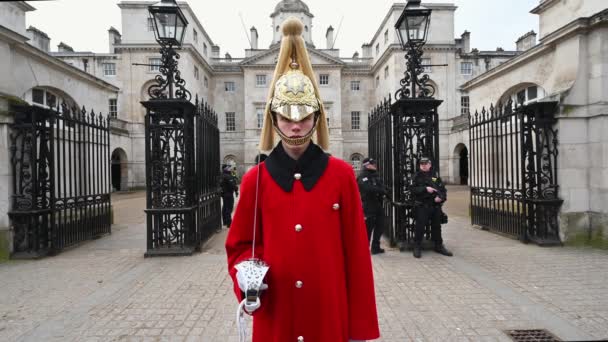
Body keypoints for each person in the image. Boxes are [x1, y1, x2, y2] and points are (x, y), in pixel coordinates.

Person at [225, 17, 379, 342]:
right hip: (276, 314)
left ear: (315, 118)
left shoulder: (340, 175)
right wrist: (246, 278)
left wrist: (358, 329)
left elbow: (357, 257)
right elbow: (239, 245)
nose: (295, 125)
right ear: (274, 119)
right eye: (286, 116)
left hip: (328, 315)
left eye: (304, 116)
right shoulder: (256, 179)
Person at [409, 156, 453, 258]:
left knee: (437, 227)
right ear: (420, 165)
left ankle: (438, 246)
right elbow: (412, 190)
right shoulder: (416, 176)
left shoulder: (435, 176)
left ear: (430, 165)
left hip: (435, 206)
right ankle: (417, 247)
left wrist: (441, 198)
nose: (424, 166)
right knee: (420, 227)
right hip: (422, 206)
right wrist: (425, 189)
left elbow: (442, 190)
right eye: (422, 164)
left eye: (426, 164)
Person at [357, 158, 388, 255]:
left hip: (378, 204)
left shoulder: (375, 175)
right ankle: (364, 249)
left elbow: (382, 186)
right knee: (368, 228)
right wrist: (380, 190)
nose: (375, 165)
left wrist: (385, 190)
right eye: (372, 164)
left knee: (380, 225)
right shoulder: (363, 176)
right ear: (367, 165)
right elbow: (368, 188)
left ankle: (376, 247)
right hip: (368, 204)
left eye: (374, 163)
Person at [220, 164, 239, 228]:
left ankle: (225, 221)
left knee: (225, 207)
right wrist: (236, 188)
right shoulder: (227, 176)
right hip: (228, 194)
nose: (230, 168)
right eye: (228, 167)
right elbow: (232, 185)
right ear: (225, 168)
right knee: (229, 208)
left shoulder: (222, 175)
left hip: (224, 194)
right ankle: (229, 223)